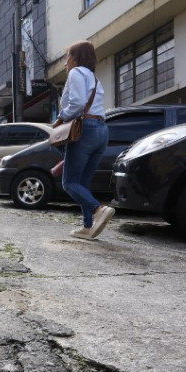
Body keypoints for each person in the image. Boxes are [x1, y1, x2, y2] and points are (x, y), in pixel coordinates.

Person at [51, 40, 114, 240]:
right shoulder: (94, 79)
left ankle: (98, 209)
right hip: (101, 130)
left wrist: (60, 118)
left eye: (67, 56)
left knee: (69, 182)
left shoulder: (76, 73)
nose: (65, 62)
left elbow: (77, 103)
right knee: (83, 183)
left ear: (75, 58)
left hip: (85, 129)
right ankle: (88, 226)